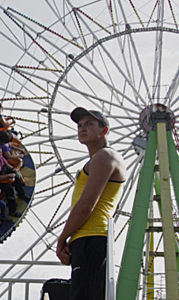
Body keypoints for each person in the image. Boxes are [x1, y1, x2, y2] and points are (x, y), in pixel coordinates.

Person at [56, 108, 126, 300]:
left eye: (89, 124)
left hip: (92, 239)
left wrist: (62, 239)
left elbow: (86, 205)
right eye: (79, 125)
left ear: (104, 131)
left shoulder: (105, 157)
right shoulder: (98, 159)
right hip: (86, 239)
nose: (82, 128)